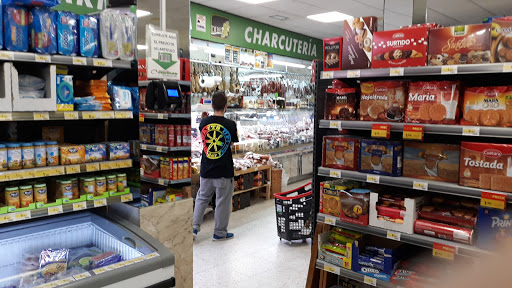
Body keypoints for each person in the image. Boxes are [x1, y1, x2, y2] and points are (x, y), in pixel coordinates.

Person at [193, 91, 238, 241]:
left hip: (206, 168)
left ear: (212, 105)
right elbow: (230, 143)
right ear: (226, 106)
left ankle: (194, 228)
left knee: (202, 198)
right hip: (224, 170)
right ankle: (219, 233)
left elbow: (205, 141)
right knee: (222, 202)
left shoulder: (204, 123)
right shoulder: (231, 125)